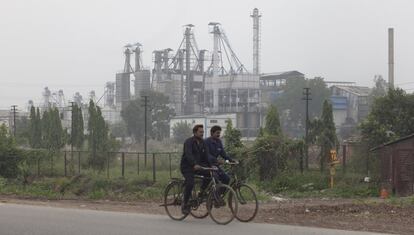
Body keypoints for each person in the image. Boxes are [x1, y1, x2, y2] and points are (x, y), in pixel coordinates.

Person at [180, 124, 213, 215]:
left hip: (198, 166)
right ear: (195, 132)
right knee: (190, 183)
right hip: (187, 167)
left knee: (210, 175)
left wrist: (211, 166)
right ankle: (185, 204)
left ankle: (201, 192)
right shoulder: (188, 142)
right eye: (200, 132)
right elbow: (188, 154)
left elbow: (207, 156)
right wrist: (194, 164)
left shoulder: (203, 143)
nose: (202, 133)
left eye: (203, 132)